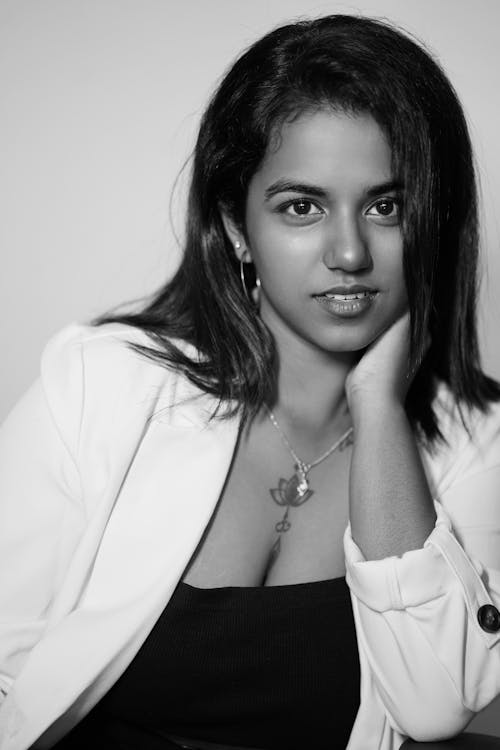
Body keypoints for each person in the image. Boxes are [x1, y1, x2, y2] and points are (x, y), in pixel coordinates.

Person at [1, 12, 500, 750]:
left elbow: (436, 706)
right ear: (237, 224)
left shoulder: (476, 441)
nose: (350, 253)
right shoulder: (99, 385)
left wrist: (377, 401)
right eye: (302, 206)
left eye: (386, 206)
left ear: (432, 218)